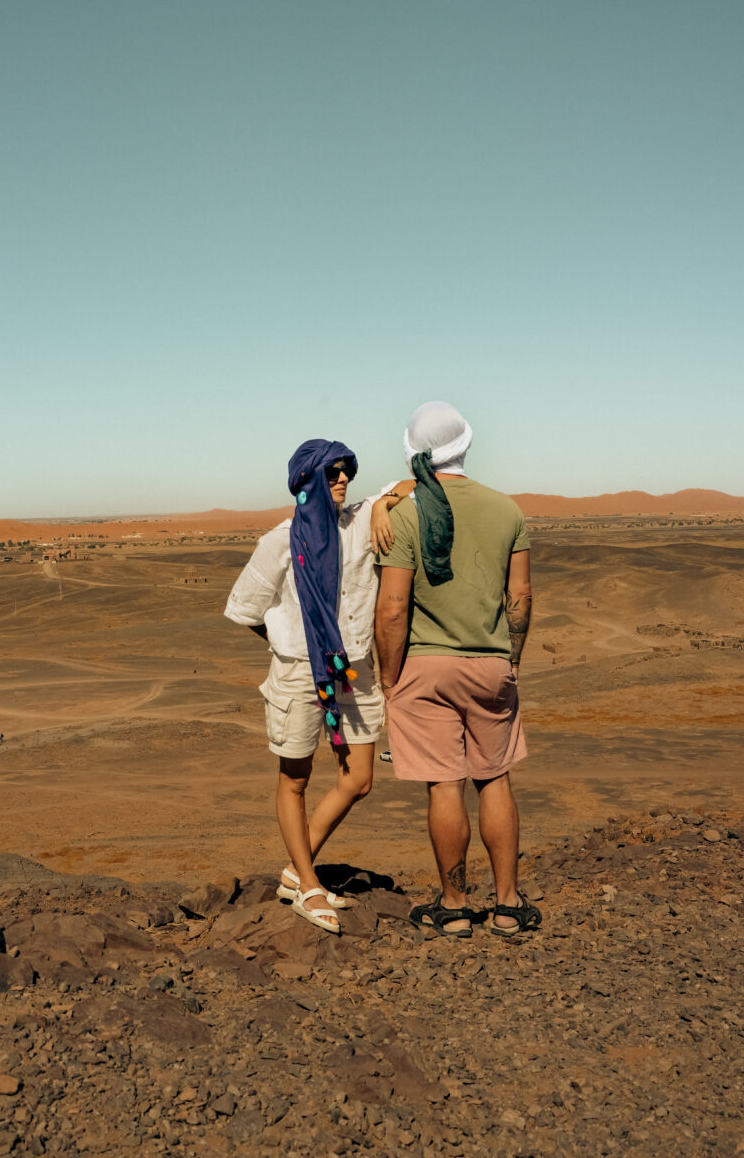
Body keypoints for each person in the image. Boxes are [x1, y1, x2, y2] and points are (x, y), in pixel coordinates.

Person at [225, 439, 410, 935]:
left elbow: (411, 485)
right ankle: (308, 883)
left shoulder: (361, 521)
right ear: (307, 482)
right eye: (332, 474)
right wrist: (292, 638)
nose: (343, 481)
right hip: (300, 673)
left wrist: (386, 505)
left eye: (347, 471)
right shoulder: (280, 541)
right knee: (296, 780)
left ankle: (295, 866)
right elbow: (243, 607)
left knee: (359, 779)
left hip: (353, 670)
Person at [374, 401, 541, 939]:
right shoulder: (507, 510)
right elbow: (520, 596)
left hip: (423, 668)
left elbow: (393, 608)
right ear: (467, 443)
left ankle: (453, 908)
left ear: (414, 452)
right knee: (494, 779)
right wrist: (509, 660)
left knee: (444, 786)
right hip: (489, 663)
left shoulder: (404, 514)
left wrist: (389, 680)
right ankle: (509, 905)